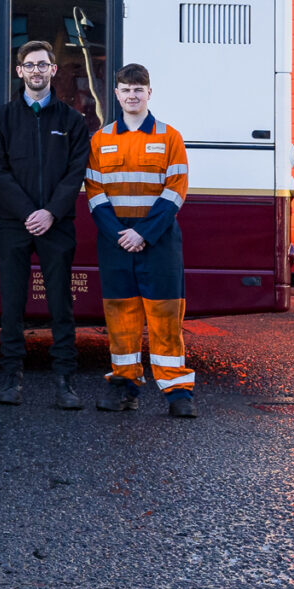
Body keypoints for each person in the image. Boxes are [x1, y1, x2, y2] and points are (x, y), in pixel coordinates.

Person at [0, 40, 93, 409]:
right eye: (29, 65)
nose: (36, 70)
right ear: (19, 71)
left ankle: (65, 381)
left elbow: (75, 173)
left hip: (57, 224)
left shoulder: (72, 121)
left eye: (43, 64)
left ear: (53, 70)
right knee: (12, 304)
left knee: (61, 304)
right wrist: (29, 212)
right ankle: (11, 378)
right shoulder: (2, 118)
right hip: (12, 224)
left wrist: (50, 213)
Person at [87, 63, 196, 417]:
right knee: (120, 318)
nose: (132, 95)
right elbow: (94, 193)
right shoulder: (101, 139)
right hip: (116, 240)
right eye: (126, 89)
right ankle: (124, 387)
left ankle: (178, 393)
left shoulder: (169, 137)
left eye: (139, 89)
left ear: (150, 93)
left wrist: (142, 234)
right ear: (116, 94)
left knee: (166, 318)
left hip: (158, 241)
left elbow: (176, 192)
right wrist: (121, 235)